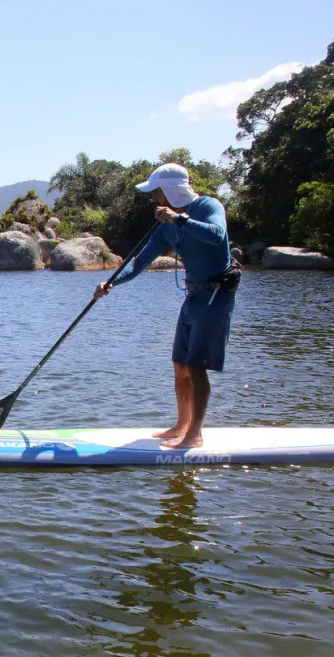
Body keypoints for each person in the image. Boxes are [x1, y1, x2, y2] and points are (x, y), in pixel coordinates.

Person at [93, 163, 238, 449]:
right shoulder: (164, 228)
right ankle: (181, 426)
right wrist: (111, 283)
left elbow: (217, 235)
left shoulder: (208, 206)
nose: (152, 199)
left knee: (197, 366)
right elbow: (138, 262)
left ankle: (195, 434)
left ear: (171, 191)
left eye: (155, 193)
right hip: (193, 296)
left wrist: (179, 219)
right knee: (180, 364)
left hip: (216, 295)